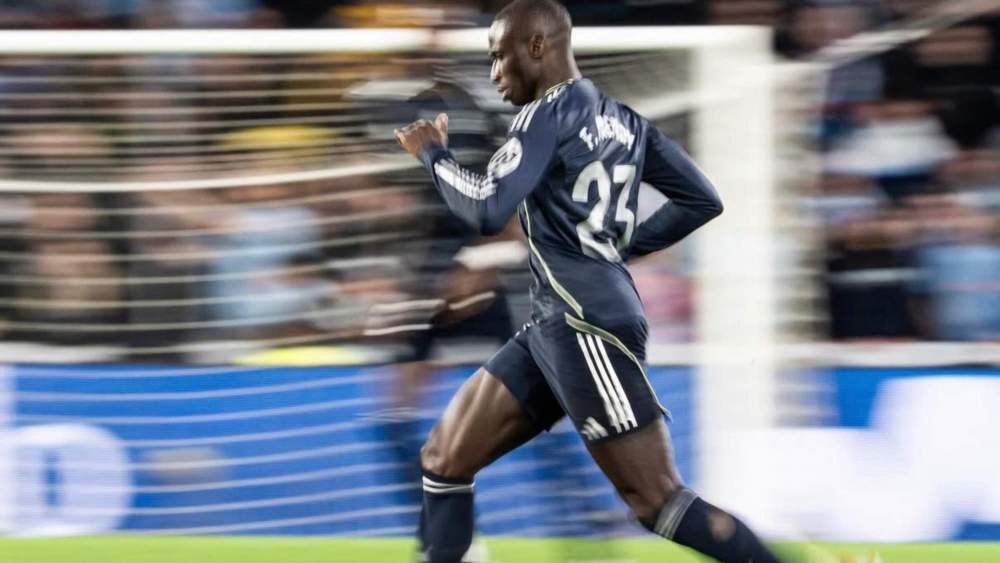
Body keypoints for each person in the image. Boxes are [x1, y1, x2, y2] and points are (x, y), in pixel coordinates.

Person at [394, 1, 785, 561]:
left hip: (584, 324)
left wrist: (433, 153)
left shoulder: (545, 115)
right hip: (557, 320)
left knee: (657, 502)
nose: (495, 73)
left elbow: (485, 208)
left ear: (536, 46)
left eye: (500, 56)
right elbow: (701, 199)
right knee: (444, 457)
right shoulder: (625, 121)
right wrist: (614, 246)